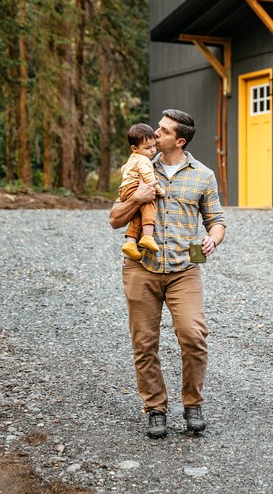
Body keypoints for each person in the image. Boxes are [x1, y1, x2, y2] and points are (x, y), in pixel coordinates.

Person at [109, 109, 226, 438]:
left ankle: (193, 404)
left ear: (180, 140)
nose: (154, 135)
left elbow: (216, 221)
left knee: (194, 336)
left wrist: (211, 239)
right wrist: (139, 198)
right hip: (141, 267)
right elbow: (115, 219)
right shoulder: (138, 167)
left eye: (162, 131)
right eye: (156, 130)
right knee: (144, 342)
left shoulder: (203, 175)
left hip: (185, 269)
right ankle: (155, 407)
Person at [117, 123, 166, 261]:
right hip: (133, 188)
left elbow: (123, 169)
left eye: (154, 146)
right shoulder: (143, 160)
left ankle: (130, 243)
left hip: (125, 188)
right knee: (149, 203)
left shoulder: (133, 157)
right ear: (134, 148)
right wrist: (159, 190)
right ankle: (148, 237)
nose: (152, 151)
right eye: (148, 148)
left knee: (139, 214)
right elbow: (149, 178)